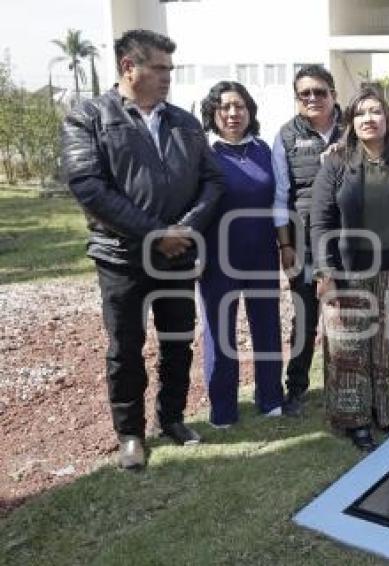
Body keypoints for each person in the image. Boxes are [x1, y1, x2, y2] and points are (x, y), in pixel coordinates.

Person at [61, 30, 225, 469]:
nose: (167, 77)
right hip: (122, 258)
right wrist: (156, 233)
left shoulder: (185, 123)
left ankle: (171, 417)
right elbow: (88, 187)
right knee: (125, 348)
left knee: (177, 342)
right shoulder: (89, 118)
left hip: (177, 256)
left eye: (170, 69)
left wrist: (184, 230)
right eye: (158, 68)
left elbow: (213, 181)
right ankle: (130, 434)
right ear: (128, 67)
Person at [311, 87, 389, 451]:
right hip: (348, 269)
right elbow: (320, 220)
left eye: (376, 112)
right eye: (360, 113)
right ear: (351, 122)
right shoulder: (337, 162)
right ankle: (354, 420)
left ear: (388, 118)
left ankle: (380, 410)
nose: (368, 119)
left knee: (382, 344)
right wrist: (326, 271)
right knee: (350, 347)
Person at [198, 81, 285, 428]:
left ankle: (270, 398)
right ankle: (223, 410)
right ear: (213, 113)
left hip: (262, 253)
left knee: (267, 327)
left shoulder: (264, 150)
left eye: (240, 107)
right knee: (220, 334)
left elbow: (281, 200)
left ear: (250, 111)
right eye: (224, 107)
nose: (233, 114)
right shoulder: (204, 154)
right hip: (218, 258)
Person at [272, 65, 342, 416]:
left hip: (348, 242)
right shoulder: (286, 136)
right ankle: (296, 389)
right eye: (305, 94)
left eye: (320, 91)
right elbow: (280, 196)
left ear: (333, 94)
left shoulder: (353, 128)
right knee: (305, 317)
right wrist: (285, 245)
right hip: (303, 244)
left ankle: (342, 386)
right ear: (297, 99)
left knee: (348, 316)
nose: (313, 98)